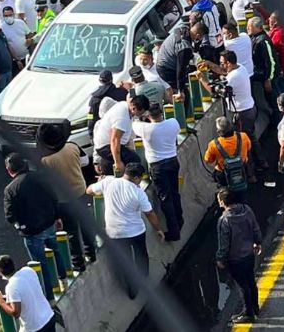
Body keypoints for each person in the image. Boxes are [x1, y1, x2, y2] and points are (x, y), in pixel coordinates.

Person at [86, 163, 165, 298]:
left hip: (115, 233)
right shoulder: (138, 192)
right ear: (135, 178)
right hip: (135, 231)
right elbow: (150, 213)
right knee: (141, 256)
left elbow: (89, 190)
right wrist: (158, 229)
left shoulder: (109, 182)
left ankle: (132, 290)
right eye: (140, 178)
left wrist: (101, 183)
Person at [2, 153, 67, 300]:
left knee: (40, 264)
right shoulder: (40, 177)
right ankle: (64, 278)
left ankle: (49, 295)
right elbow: (53, 197)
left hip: (31, 231)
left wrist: (20, 225)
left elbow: (10, 216)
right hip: (49, 223)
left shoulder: (10, 190)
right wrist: (57, 216)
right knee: (56, 250)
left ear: (9, 170)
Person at [37, 123, 96, 272]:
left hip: (64, 201)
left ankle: (78, 262)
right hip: (81, 192)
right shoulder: (72, 146)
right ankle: (91, 252)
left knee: (72, 232)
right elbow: (85, 161)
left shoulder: (46, 161)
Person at [132, 103, 183, 241]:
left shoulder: (145, 129)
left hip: (158, 166)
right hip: (173, 161)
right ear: (161, 113)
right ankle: (180, 221)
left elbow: (134, 122)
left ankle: (174, 231)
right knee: (174, 193)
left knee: (165, 198)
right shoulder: (173, 123)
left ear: (149, 115)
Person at [215, 188, 262, 324]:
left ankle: (248, 313)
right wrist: (258, 242)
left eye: (219, 200)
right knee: (251, 281)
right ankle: (255, 307)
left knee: (243, 286)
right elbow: (255, 227)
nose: (219, 203)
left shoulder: (224, 220)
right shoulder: (246, 210)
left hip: (235, 258)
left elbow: (224, 244)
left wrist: (220, 258)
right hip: (249, 254)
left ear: (224, 202)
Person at [0, 256, 56, 332]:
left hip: (35, 328)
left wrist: (0, 301)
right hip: (49, 317)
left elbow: (16, 313)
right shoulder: (28, 270)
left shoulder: (11, 286)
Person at [93, 96, 147, 175]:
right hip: (107, 146)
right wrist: (118, 162)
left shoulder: (124, 105)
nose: (141, 115)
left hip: (107, 145)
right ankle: (130, 181)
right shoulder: (122, 118)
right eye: (140, 113)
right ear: (134, 108)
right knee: (134, 160)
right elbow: (115, 140)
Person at [156, 20, 197, 111]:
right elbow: (180, 70)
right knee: (182, 95)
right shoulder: (184, 48)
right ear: (198, 35)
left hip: (165, 61)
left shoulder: (183, 29)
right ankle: (183, 118)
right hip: (166, 68)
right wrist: (180, 90)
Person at [247, 16, 280, 127]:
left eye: (249, 26)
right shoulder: (254, 38)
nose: (247, 28)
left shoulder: (263, 41)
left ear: (258, 28)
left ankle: (277, 124)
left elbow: (271, 62)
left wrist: (268, 79)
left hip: (268, 78)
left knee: (273, 101)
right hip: (260, 75)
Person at [204, 117, 252, 187]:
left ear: (219, 132)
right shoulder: (243, 136)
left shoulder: (213, 144)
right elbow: (249, 148)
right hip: (242, 169)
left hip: (224, 174)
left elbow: (208, 160)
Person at [87, 69, 128, 143]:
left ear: (100, 80)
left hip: (101, 132)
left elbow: (90, 116)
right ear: (111, 79)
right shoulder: (122, 92)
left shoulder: (94, 98)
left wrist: (90, 134)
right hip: (122, 129)